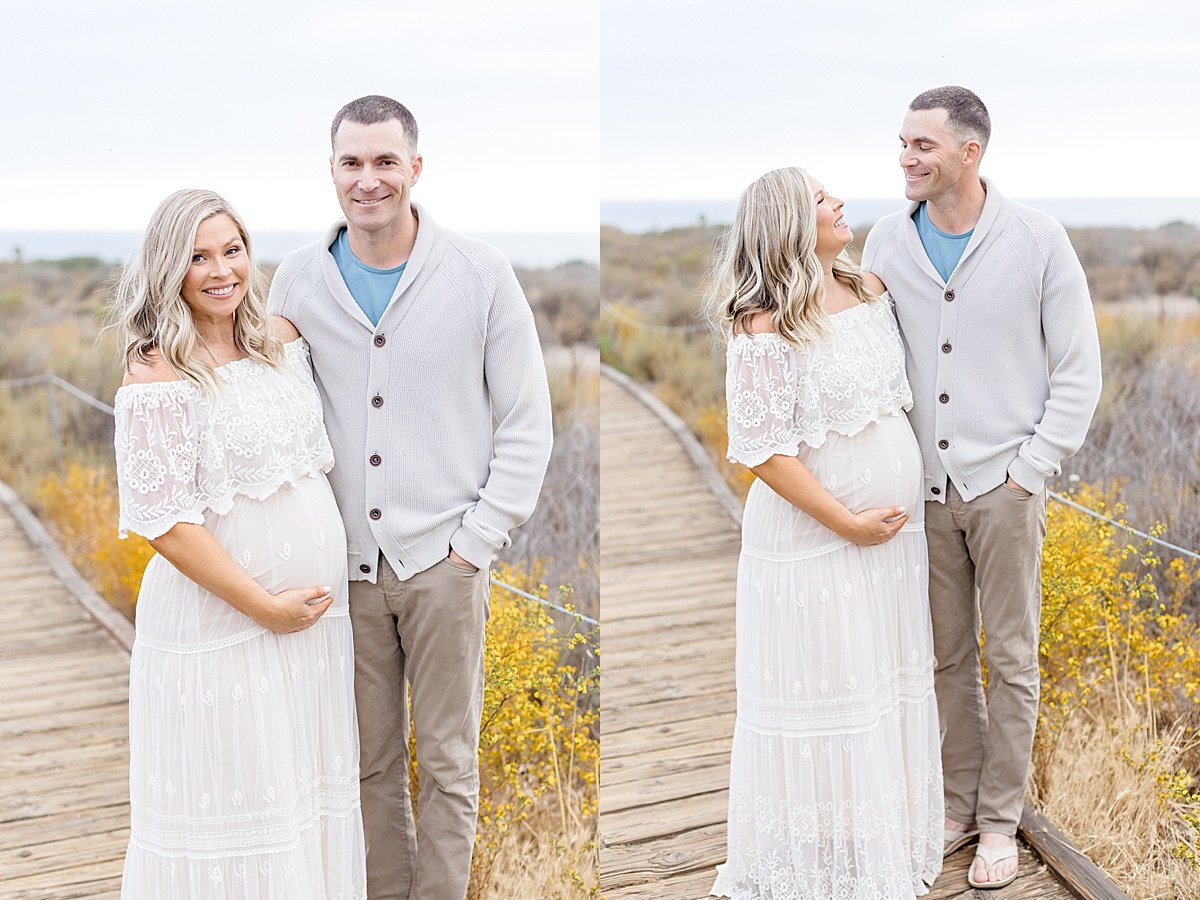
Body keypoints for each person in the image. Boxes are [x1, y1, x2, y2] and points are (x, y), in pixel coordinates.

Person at [267, 95, 554, 900]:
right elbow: (256, 386)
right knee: (366, 763)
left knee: (450, 764)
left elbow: (529, 423)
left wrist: (476, 545)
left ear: (415, 168)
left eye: (385, 161)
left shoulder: (480, 273)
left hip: (444, 566)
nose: (368, 180)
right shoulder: (295, 278)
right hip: (340, 569)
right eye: (352, 163)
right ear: (331, 171)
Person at [861, 86, 1102, 890]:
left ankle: (1000, 823)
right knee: (945, 659)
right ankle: (955, 809)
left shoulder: (1038, 240)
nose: (906, 157)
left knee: (1014, 657)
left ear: (970, 152)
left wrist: (1029, 471)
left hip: (1005, 489)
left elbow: (1078, 374)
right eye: (902, 143)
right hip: (921, 492)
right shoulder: (886, 243)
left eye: (922, 145)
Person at [113, 189, 366, 897]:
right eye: (198, 256)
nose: (220, 270)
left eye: (232, 250)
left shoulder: (279, 341)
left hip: (312, 630)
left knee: (300, 803)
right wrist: (264, 605)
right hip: (226, 627)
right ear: (170, 268)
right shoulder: (157, 369)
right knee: (239, 806)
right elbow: (165, 522)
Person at [707, 167, 943, 899]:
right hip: (815, 544)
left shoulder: (870, 290)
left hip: (893, 546)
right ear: (787, 223)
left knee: (877, 683)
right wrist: (846, 523)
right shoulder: (763, 322)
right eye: (819, 199)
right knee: (825, 691)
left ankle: (877, 846)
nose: (839, 203)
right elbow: (762, 450)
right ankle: (819, 868)